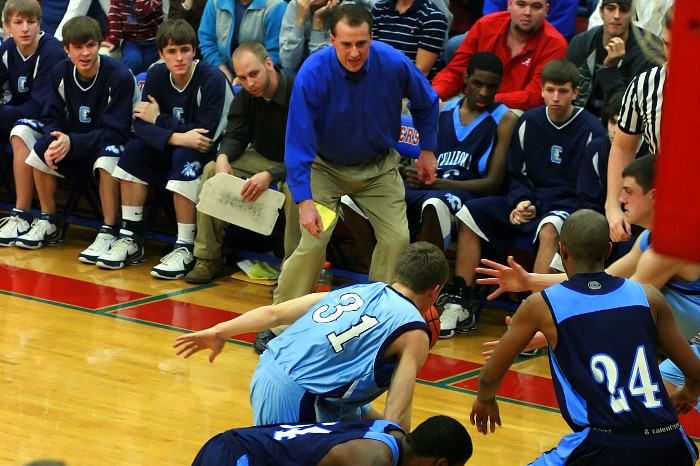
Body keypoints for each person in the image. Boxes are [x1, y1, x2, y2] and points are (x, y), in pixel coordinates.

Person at [470, 209, 700, 465]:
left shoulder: (541, 304)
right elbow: (696, 373)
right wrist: (689, 393)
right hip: (671, 442)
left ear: (562, 250)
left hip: (603, 444)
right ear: (608, 251)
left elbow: (489, 377)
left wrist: (484, 400)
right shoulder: (649, 297)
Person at [265, 4, 439, 339]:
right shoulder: (312, 73)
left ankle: (376, 322)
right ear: (332, 40)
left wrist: (427, 149)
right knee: (314, 241)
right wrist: (304, 201)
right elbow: (298, 143)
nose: (355, 52)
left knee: (397, 239)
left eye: (361, 43)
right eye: (346, 44)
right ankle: (280, 325)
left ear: (372, 37)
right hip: (324, 169)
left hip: (378, 169)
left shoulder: (393, 62)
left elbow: (427, 101)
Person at [174, 242, 449, 430]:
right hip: (298, 394)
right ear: (435, 290)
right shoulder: (415, 331)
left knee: (355, 426)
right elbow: (396, 417)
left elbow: (275, 314)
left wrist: (220, 331)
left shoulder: (357, 290)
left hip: (270, 368)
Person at [438, 59, 605, 338]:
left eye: (563, 91)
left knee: (550, 227)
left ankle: (535, 313)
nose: (556, 97)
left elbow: (588, 197)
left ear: (576, 93)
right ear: (541, 90)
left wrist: (538, 207)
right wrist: (521, 202)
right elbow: (517, 175)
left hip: (567, 208)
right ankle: (461, 301)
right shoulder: (528, 122)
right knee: (470, 212)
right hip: (531, 202)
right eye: (550, 90)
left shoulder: (593, 132)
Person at [479, 155, 700, 352]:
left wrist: (545, 336)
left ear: (654, 196)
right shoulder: (648, 239)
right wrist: (528, 280)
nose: (621, 199)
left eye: (629, 191)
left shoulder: (666, 251)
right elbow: (602, 280)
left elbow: (618, 307)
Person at [94, 19, 233, 276]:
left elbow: (204, 135)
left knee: (185, 156)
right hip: (176, 145)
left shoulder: (212, 79)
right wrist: (178, 136)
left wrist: (160, 120)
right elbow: (141, 125)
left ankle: (185, 246)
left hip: (212, 152)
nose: (179, 58)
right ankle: (131, 238)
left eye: (185, 50)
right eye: (171, 51)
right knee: (135, 151)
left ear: (194, 51)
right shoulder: (156, 74)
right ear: (161, 54)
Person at [12, 15, 138, 252]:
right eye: (78, 47)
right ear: (66, 49)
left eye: (90, 45)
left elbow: (117, 132)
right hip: (75, 143)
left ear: (99, 45)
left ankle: (109, 230)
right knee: (43, 148)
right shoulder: (60, 72)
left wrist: (73, 141)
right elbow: (51, 117)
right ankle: (50, 219)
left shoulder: (119, 75)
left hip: (110, 145)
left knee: (108, 156)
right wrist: (58, 138)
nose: (85, 53)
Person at [184, 42, 300, 284]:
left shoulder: (299, 91)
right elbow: (235, 135)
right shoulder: (247, 95)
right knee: (212, 170)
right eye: (243, 78)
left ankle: (293, 272)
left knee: (295, 191)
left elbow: (310, 152)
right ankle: (208, 257)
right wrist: (223, 156)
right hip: (263, 158)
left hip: (300, 164)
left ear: (269, 63)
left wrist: (271, 174)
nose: (250, 83)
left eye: (254, 74)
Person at [0, 0, 66, 246]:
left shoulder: (51, 51)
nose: (25, 28)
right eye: (18, 22)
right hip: (17, 115)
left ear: (40, 24)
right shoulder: (7, 49)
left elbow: (39, 107)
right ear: (7, 26)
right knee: (19, 126)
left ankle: (22, 214)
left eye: (31, 22)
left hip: (53, 122)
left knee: (21, 131)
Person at [605, 6, 670, 243]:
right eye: (668, 44)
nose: (675, 54)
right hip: (664, 204)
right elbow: (623, 147)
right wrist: (613, 205)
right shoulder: (645, 85)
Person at [432, 0, 567, 111]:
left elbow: (535, 96)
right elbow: (456, 71)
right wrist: (434, 95)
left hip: (516, 110)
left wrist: (486, 99)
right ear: (509, 4)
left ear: (546, 10)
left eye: (536, 7)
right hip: (470, 100)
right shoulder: (485, 25)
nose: (527, 12)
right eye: (521, 4)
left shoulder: (555, 44)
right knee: (434, 110)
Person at [192, 415, 473, 466]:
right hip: (236, 458)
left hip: (234, 444)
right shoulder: (371, 460)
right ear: (440, 465)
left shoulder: (390, 431)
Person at [566, 0, 664, 118]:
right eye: (611, 8)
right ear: (601, 12)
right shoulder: (581, 43)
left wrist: (610, 70)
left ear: (632, 15)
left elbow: (634, 115)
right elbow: (564, 94)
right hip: (582, 122)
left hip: (621, 125)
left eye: (624, 10)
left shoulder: (649, 55)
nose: (617, 16)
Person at [197, 0, 287, 82]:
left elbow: (275, 54)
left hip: (258, 77)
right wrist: (221, 69)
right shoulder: (215, 2)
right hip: (220, 70)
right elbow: (207, 41)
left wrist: (244, 78)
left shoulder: (276, 6)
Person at [371, 0, 448, 78]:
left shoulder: (433, 17)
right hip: (378, 77)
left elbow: (420, 73)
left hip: (411, 82)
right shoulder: (379, 8)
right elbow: (371, 55)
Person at [100, 0, 164, 75]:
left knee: (150, 66)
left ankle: (142, 81)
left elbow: (144, 11)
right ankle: (123, 80)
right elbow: (115, 17)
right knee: (133, 60)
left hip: (152, 41)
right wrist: (113, 39)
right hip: (131, 40)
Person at [278, 0, 338, 73]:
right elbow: (288, 63)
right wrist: (300, 20)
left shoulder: (344, 10)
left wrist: (318, 21)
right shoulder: (296, 5)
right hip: (300, 72)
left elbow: (322, 67)